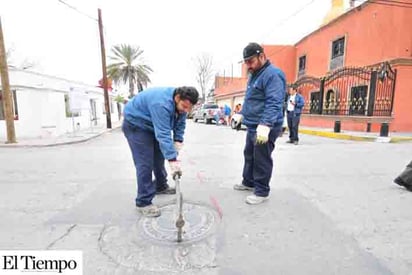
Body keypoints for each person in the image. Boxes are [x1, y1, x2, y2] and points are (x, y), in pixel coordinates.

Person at [122, 86, 199, 217]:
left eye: (189, 108)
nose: (186, 110)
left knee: (159, 157)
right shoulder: (161, 104)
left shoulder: (183, 104)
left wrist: (178, 140)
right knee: (145, 162)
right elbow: (163, 134)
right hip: (136, 125)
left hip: (151, 124)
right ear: (177, 98)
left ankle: (160, 186)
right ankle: (143, 202)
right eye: (184, 107)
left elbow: (180, 123)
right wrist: (173, 160)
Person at [233, 42, 286, 205]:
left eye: (251, 61)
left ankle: (262, 191)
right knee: (249, 154)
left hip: (265, 126)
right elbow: (251, 99)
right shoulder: (253, 74)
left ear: (262, 56)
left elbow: (274, 102)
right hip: (253, 124)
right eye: (246, 62)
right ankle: (248, 182)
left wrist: (265, 125)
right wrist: (241, 114)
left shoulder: (273, 74)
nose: (248, 65)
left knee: (261, 157)